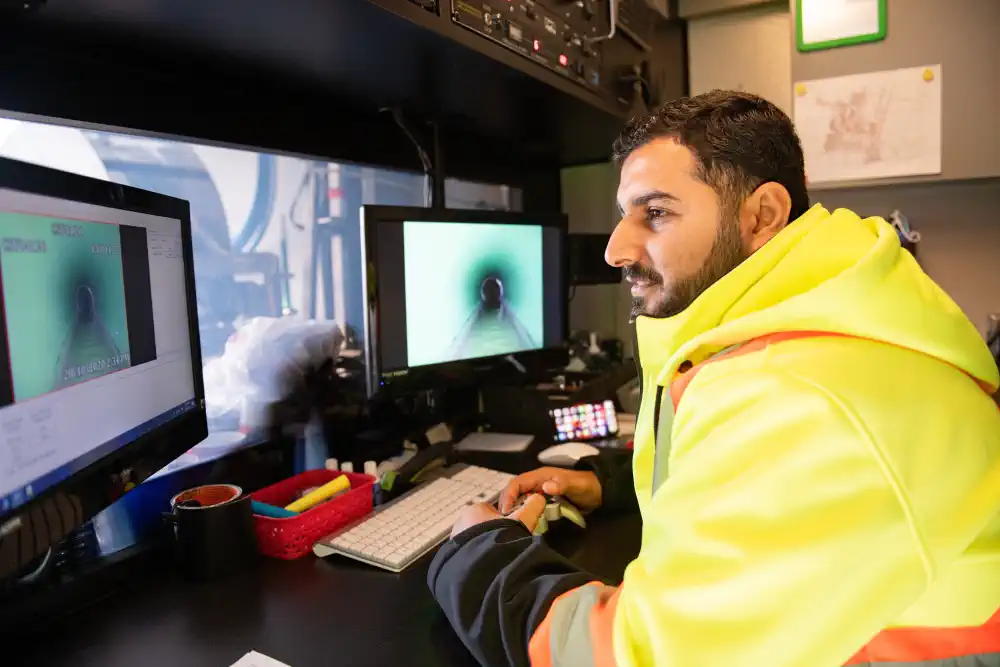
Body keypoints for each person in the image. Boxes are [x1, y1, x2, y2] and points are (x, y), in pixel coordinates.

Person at [427, 90, 1000, 667]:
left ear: (762, 215)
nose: (615, 250)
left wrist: (480, 556)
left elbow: (633, 657)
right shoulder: (813, 309)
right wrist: (612, 485)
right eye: (624, 214)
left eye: (655, 212)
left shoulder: (799, 398)